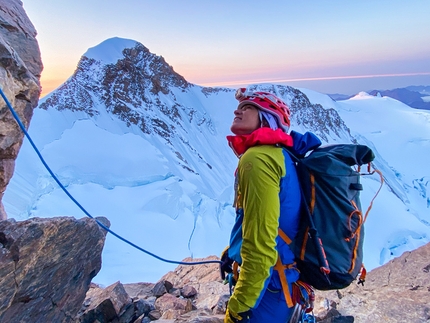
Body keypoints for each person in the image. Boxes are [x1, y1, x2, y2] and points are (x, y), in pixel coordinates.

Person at [221, 88, 318, 323]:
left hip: (268, 289)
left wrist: (240, 304)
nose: (238, 110)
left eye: (248, 107)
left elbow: (261, 244)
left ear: (268, 118)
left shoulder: (257, 160)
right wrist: (233, 250)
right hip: (281, 281)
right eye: (240, 106)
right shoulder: (279, 154)